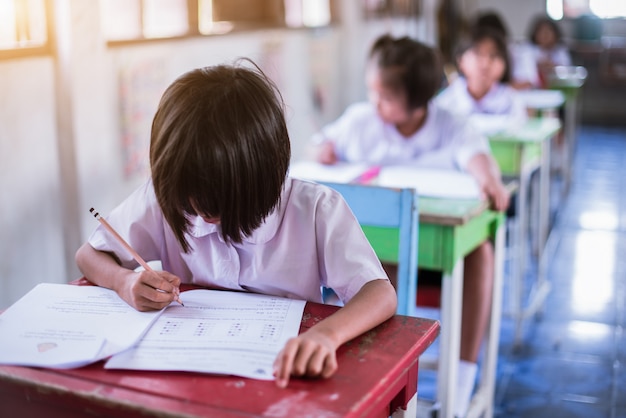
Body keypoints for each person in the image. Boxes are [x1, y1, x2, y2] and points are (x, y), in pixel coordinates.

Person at [75, 61, 397, 389]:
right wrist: (124, 282)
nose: (200, 215)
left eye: (219, 205)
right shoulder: (163, 197)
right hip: (190, 374)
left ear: (265, 177)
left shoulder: (315, 210)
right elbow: (89, 255)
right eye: (189, 202)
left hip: (283, 372)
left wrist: (327, 335)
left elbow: (379, 292)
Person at [310, 34, 510, 418]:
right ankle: (378, 379)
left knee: (481, 254)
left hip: (438, 250)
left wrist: (490, 179)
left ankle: (462, 381)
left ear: (419, 102)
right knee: (379, 269)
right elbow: (323, 145)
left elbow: (476, 155)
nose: (375, 103)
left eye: (385, 97)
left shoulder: (452, 125)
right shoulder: (360, 120)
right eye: (373, 93)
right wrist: (323, 150)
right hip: (377, 252)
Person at [435, 28, 528, 134]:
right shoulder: (446, 101)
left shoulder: (512, 101)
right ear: (460, 60)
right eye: (478, 54)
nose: (485, 63)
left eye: (493, 55)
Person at [471, 10, 539, 90]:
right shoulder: (471, 55)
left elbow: (527, 82)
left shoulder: (518, 52)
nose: (486, 62)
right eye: (480, 53)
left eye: (493, 55)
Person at [526, 15, 572, 87]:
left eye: (548, 31)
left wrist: (553, 67)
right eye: (541, 31)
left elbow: (567, 73)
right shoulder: (528, 50)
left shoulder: (560, 51)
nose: (545, 35)